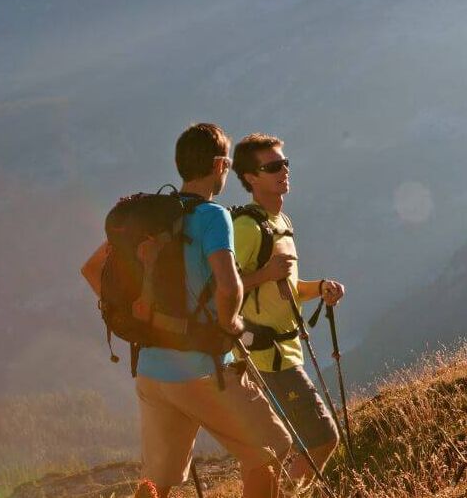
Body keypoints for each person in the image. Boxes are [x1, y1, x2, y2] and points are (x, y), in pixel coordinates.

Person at [80, 123, 292, 498]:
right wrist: (231, 324)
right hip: (201, 369)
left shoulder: (152, 216)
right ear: (219, 165)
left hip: (151, 370)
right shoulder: (213, 216)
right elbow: (229, 285)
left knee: (156, 482)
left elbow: (92, 269)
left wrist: (140, 318)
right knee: (270, 450)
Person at [230, 132, 345, 485]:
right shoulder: (247, 227)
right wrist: (265, 272)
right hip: (266, 355)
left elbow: (286, 288)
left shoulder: (282, 222)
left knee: (286, 446)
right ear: (250, 177)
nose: (284, 171)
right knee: (323, 437)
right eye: (273, 166)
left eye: (285, 163)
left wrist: (319, 288)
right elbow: (218, 288)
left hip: (284, 350)